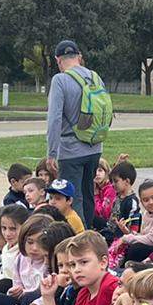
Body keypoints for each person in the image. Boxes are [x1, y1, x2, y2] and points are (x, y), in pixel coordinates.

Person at [42, 40, 101, 224]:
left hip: (70, 150)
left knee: (72, 199)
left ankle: (78, 243)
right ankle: (90, 235)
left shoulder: (60, 80)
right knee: (88, 194)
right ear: (79, 57)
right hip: (95, 147)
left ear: (58, 60)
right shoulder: (94, 77)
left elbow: (54, 119)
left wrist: (52, 153)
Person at [108, 180, 153, 268]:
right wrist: (127, 232)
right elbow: (144, 235)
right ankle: (119, 267)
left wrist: (125, 238)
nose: (151, 202)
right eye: (146, 200)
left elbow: (151, 240)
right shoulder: (148, 212)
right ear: (142, 202)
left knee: (136, 249)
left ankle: (125, 270)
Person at [106, 158, 139, 239]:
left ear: (127, 181)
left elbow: (134, 229)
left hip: (122, 237)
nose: (113, 184)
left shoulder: (131, 201)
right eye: (112, 181)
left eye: (116, 181)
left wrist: (125, 230)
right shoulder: (118, 195)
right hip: (110, 231)